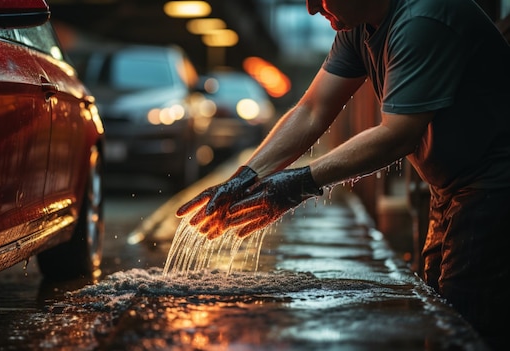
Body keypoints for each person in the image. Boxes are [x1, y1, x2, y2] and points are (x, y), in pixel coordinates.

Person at [177, 0, 510, 348]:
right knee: (440, 314)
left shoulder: (421, 18)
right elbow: (312, 110)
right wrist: (243, 177)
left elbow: (396, 135)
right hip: (454, 187)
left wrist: (298, 184)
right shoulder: (358, 26)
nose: (310, 10)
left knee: (467, 325)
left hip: (495, 183)